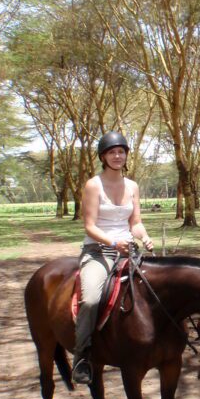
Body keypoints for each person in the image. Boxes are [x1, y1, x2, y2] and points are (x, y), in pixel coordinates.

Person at [72, 131, 155, 385]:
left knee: (158, 290)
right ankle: (82, 356)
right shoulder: (93, 185)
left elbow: (136, 223)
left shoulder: (132, 186)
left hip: (129, 249)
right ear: (103, 157)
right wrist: (112, 242)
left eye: (121, 151)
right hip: (99, 251)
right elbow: (89, 226)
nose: (117, 156)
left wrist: (145, 237)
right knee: (91, 299)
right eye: (112, 152)